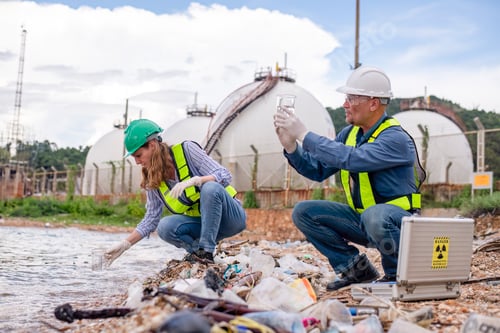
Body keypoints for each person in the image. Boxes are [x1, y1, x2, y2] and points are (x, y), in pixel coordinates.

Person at [273, 66, 425, 291]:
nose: (345, 104)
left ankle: (397, 274)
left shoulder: (396, 138)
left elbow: (354, 159)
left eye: (351, 98)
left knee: (376, 214)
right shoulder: (349, 134)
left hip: (398, 224)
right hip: (366, 221)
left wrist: (305, 135)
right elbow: (317, 170)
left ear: (373, 103)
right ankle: (356, 270)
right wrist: (291, 146)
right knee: (304, 212)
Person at [104, 119, 247, 266]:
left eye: (138, 155)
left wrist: (198, 180)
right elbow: (151, 218)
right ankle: (198, 253)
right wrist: (125, 245)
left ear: (152, 145)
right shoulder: (152, 180)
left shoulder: (187, 150)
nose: (137, 162)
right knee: (164, 227)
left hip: (230, 219)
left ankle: (206, 251)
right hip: (203, 226)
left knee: (210, 187)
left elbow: (224, 175)